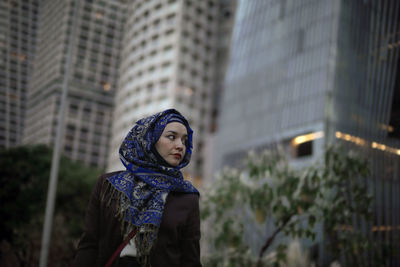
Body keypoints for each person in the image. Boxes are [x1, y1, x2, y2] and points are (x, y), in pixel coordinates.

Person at [74, 109, 202, 267]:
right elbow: (89, 245)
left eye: (184, 140)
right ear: (149, 140)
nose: (180, 146)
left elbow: (190, 260)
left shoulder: (186, 196)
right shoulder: (108, 184)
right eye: (171, 137)